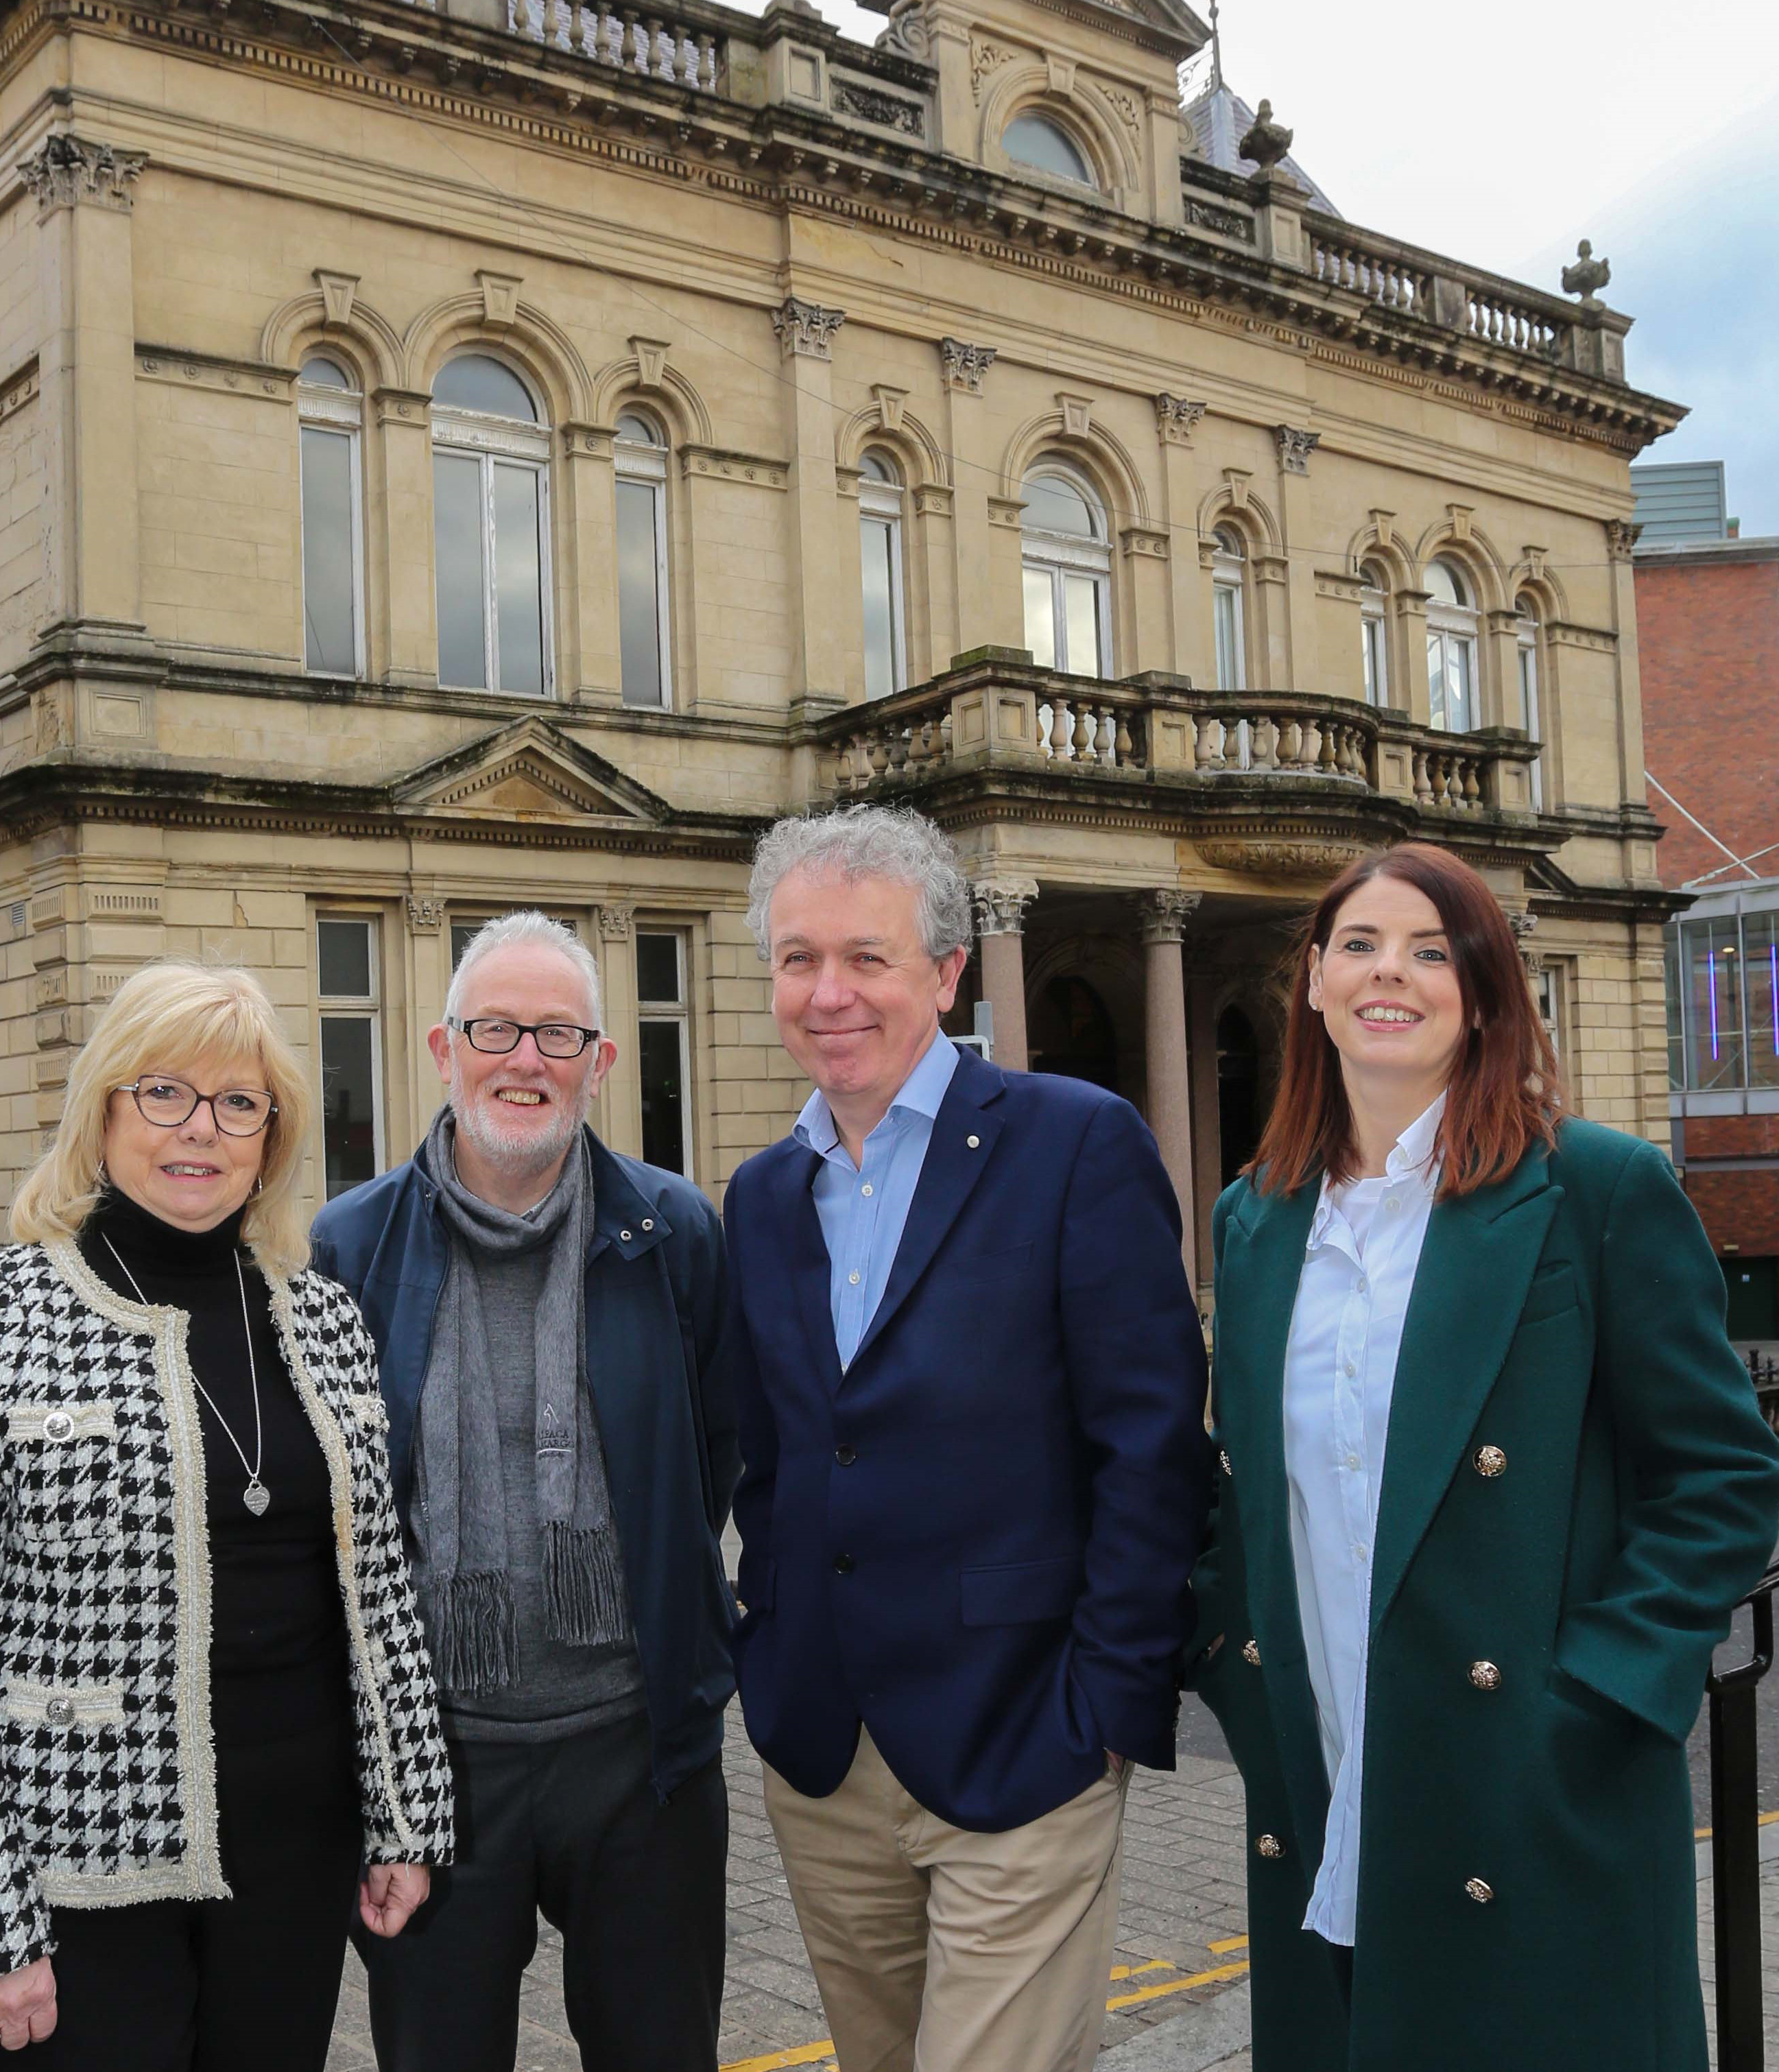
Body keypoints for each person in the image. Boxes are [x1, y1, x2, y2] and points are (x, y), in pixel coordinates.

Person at [1191, 842, 1779, 2071]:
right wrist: (1226, 1665)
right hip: (1324, 1759)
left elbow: (1723, 1479)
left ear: (1486, 986)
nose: (1387, 973)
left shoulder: (1595, 1188)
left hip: (1529, 1773)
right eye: (1357, 945)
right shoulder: (1257, 1218)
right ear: (1310, 981)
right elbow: (1241, 1487)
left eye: (1430, 947)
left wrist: (1602, 1697)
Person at [0, 960, 453, 2067]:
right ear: (104, 1107)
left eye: (239, 1103)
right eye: (164, 1092)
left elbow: (382, 1594)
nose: (201, 1129)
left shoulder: (324, 1319)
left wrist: (407, 1817)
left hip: (294, 1856)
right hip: (74, 1873)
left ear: (272, 1135)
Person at [725, 805, 1212, 2072]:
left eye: (867, 958)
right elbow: (776, 1462)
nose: (828, 993)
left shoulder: (1075, 1143)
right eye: (796, 959)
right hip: (825, 1756)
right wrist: (764, 1648)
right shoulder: (764, 1195)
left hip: (1023, 1736)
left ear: (946, 973)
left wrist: (1108, 1704)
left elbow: (1150, 1445)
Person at [311, 911, 737, 2072]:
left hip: (640, 1755)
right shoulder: (350, 1248)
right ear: (445, 1051)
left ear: (600, 1063)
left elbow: (714, 1457)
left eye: (558, 1033)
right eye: (496, 1028)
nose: (526, 1059)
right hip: (437, 1765)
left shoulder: (673, 1231)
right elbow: (337, 1514)